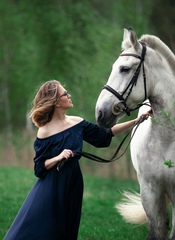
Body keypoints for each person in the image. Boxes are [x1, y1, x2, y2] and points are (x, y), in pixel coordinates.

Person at [4, 80, 151, 240]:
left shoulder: (77, 122)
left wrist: (137, 121)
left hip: (74, 181)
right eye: (65, 94)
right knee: (45, 228)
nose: (69, 95)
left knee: (68, 228)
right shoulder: (44, 131)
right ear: (56, 102)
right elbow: (39, 167)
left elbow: (105, 134)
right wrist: (58, 157)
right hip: (52, 185)